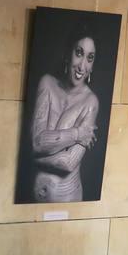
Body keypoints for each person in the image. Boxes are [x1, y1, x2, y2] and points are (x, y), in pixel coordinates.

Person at [27, 32, 100, 203]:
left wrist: (34, 156)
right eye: (79, 53)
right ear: (68, 53)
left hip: (67, 199)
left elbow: (68, 163)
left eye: (90, 58)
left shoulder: (91, 102)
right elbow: (36, 143)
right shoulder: (47, 83)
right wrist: (77, 134)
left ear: (92, 66)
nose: (82, 66)